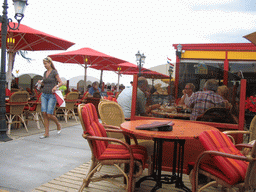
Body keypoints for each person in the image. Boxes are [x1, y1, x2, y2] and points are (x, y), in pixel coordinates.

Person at [39, 57, 63, 139]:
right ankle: (46, 133)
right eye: (44, 64)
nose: (44, 65)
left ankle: (58, 124)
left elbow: (61, 82)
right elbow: (44, 84)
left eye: (45, 63)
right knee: (44, 113)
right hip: (44, 94)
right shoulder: (45, 72)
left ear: (50, 63)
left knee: (49, 114)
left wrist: (55, 86)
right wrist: (40, 83)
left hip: (52, 95)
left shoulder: (54, 72)